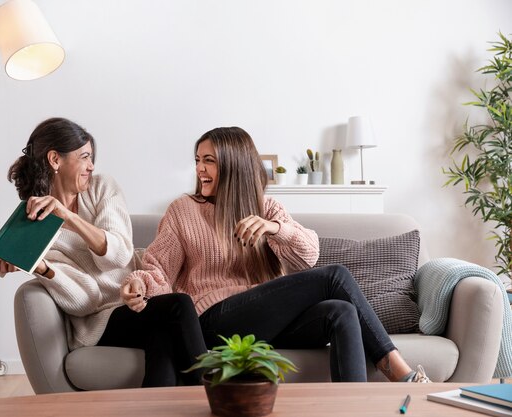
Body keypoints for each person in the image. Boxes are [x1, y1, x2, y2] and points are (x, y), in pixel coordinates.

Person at [121, 126, 430, 383]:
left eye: (209, 161)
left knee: (340, 310)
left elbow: (307, 255)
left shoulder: (267, 208)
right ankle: (396, 368)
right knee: (335, 276)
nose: (200, 168)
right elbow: (158, 268)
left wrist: (274, 228)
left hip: (269, 324)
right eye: (198, 160)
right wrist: (141, 286)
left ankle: (351, 407)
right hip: (216, 321)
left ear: (234, 164)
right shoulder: (183, 210)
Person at [0, 117, 206, 387]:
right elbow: (88, 299)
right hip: (102, 323)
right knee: (178, 305)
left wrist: (68, 216)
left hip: (140, 302)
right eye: (85, 157)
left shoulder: (102, 187)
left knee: (162, 340)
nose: (91, 166)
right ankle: (212, 395)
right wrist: (39, 266)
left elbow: (120, 255)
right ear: (55, 159)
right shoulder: (32, 227)